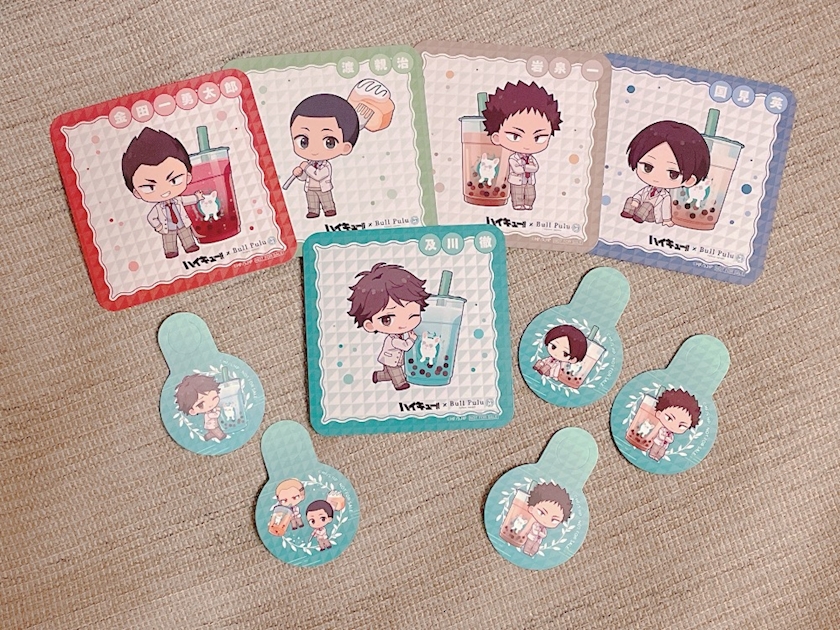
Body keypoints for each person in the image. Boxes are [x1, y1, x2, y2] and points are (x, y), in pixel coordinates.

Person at [347, 263, 431, 391]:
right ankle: (400, 385)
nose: (403, 324)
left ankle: (378, 376)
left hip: (390, 359)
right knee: (397, 375)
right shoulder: (394, 339)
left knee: (388, 374)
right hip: (391, 360)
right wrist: (412, 339)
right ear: (370, 325)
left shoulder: (398, 335)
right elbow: (405, 346)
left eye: (412, 315)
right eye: (387, 319)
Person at [122, 128, 203, 258]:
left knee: (186, 234)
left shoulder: (178, 200)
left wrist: (197, 197)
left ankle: (190, 245)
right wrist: (159, 227)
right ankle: (170, 251)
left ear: (188, 177)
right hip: (167, 227)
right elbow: (151, 217)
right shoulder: (158, 208)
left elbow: (187, 199)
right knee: (169, 240)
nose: (165, 191)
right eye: (150, 187)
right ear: (136, 193)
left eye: (174, 180)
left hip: (182, 223)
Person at [483, 81, 562, 211]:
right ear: (496, 137)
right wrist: (526, 168)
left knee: (531, 194)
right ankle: (518, 205)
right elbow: (517, 169)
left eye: (538, 137)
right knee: (517, 194)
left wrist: (526, 167)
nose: (528, 144)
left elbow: (535, 167)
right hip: (517, 181)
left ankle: (528, 204)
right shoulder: (513, 158)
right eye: (515, 136)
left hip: (529, 181)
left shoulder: (530, 158)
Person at [622, 120, 711, 225]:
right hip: (640, 208)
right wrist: (635, 201)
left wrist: (667, 220)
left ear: (690, 180)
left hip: (651, 214)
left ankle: (639, 217)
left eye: (673, 174)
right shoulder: (647, 190)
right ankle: (628, 212)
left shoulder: (665, 196)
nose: (657, 177)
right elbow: (639, 195)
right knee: (631, 200)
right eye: (647, 167)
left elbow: (665, 208)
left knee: (647, 206)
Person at [289, 93, 360, 218]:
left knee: (326, 199)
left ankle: (329, 209)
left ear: (345, 147)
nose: (314, 150)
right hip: (310, 187)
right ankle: (313, 211)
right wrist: (300, 174)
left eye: (329, 142)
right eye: (303, 141)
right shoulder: (309, 164)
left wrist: (306, 167)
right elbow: (306, 177)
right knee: (312, 200)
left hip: (323, 188)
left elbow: (318, 175)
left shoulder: (325, 166)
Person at [647, 388, 701, 461]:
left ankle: (658, 457)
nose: (673, 426)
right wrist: (664, 437)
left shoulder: (670, 434)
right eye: (669, 418)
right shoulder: (662, 430)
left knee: (662, 452)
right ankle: (652, 455)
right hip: (658, 442)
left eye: (681, 426)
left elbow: (671, 440)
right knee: (655, 448)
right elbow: (660, 435)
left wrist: (668, 439)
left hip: (664, 446)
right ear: (659, 414)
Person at [522, 482, 573, 557]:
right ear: (531, 509)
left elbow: (544, 534)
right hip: (531, 537)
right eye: (542, 513)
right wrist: (537, 532)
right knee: (529, 544)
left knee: (536, 547)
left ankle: (532, 553)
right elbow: (533, 530)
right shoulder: (535, 524)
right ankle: (526, 551)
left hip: (538, 541)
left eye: (554, 520)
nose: (546, 520)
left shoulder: (543, 529)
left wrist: (541, 534)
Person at [174, 374, 224, 441]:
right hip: (211, 425)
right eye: (201, 404)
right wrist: (217, 412)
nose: (210, 404)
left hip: (210, 424)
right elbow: (214, 415)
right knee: (217, 431)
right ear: (192, 411)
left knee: (212, 431)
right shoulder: (209, 413)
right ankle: (220, 436)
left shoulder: (210, 410)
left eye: (214, 398)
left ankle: (209, 435)